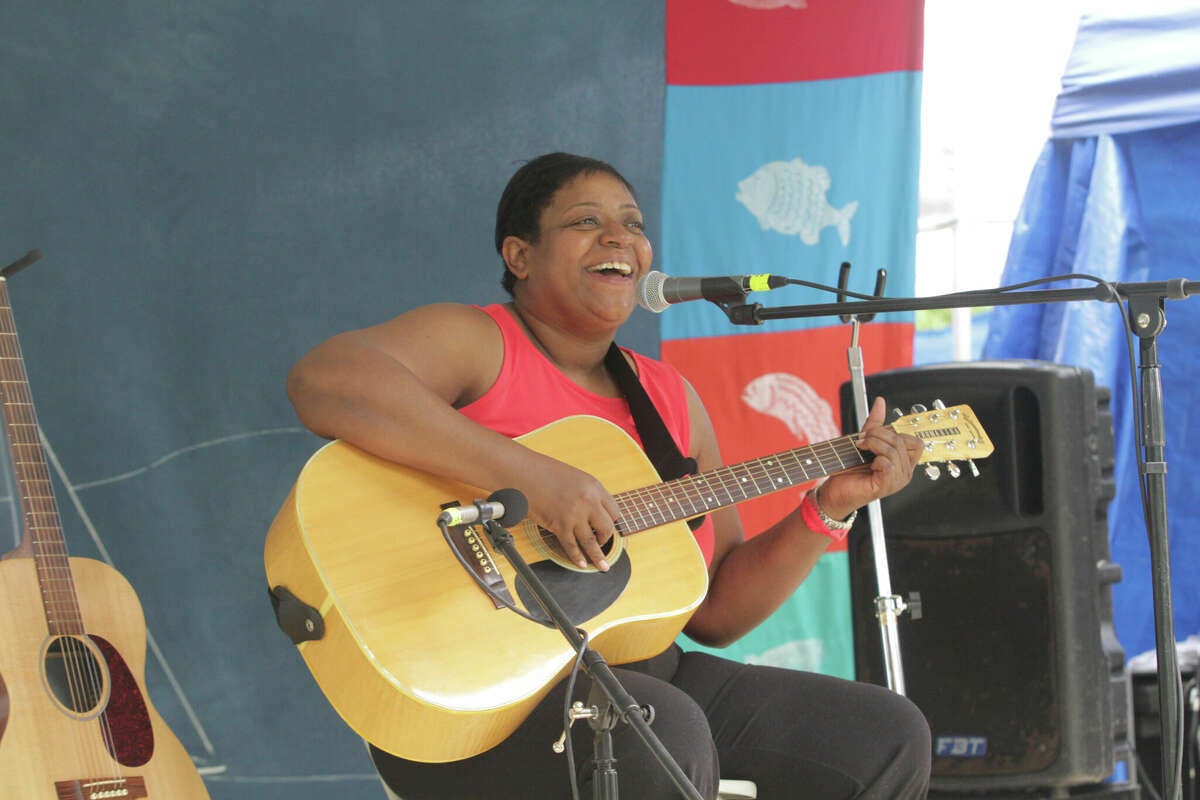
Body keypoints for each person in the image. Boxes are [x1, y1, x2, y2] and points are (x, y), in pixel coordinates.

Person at [286, 152, 932, 799]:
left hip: (643, 674)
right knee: (658, 726)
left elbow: (715, 610)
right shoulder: (480, 342)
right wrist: (533, 480)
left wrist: (828, 508)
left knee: (882, 735)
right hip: (482, 690)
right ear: (520, 256)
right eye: (585, 221)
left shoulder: (669, 399)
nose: (620, 237)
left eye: (633, 223)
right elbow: (324, 382)